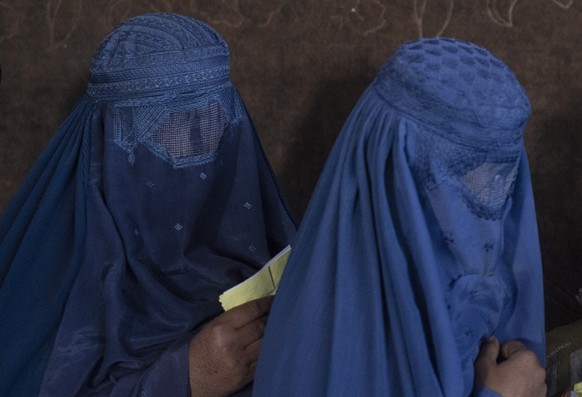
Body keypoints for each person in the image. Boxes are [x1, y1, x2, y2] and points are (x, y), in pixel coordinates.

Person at [0, 13, 296, 397]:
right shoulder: (54, 276)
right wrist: (183, 379)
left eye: (208, 124)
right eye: (165, 129)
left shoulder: (263, 250)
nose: (192, 151)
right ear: (106, 139)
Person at [252, 37, 546, 397]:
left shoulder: (486, 289)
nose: (483, 199)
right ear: (391, 168)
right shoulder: (330, 351)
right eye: (458, 174)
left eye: (498, 178)